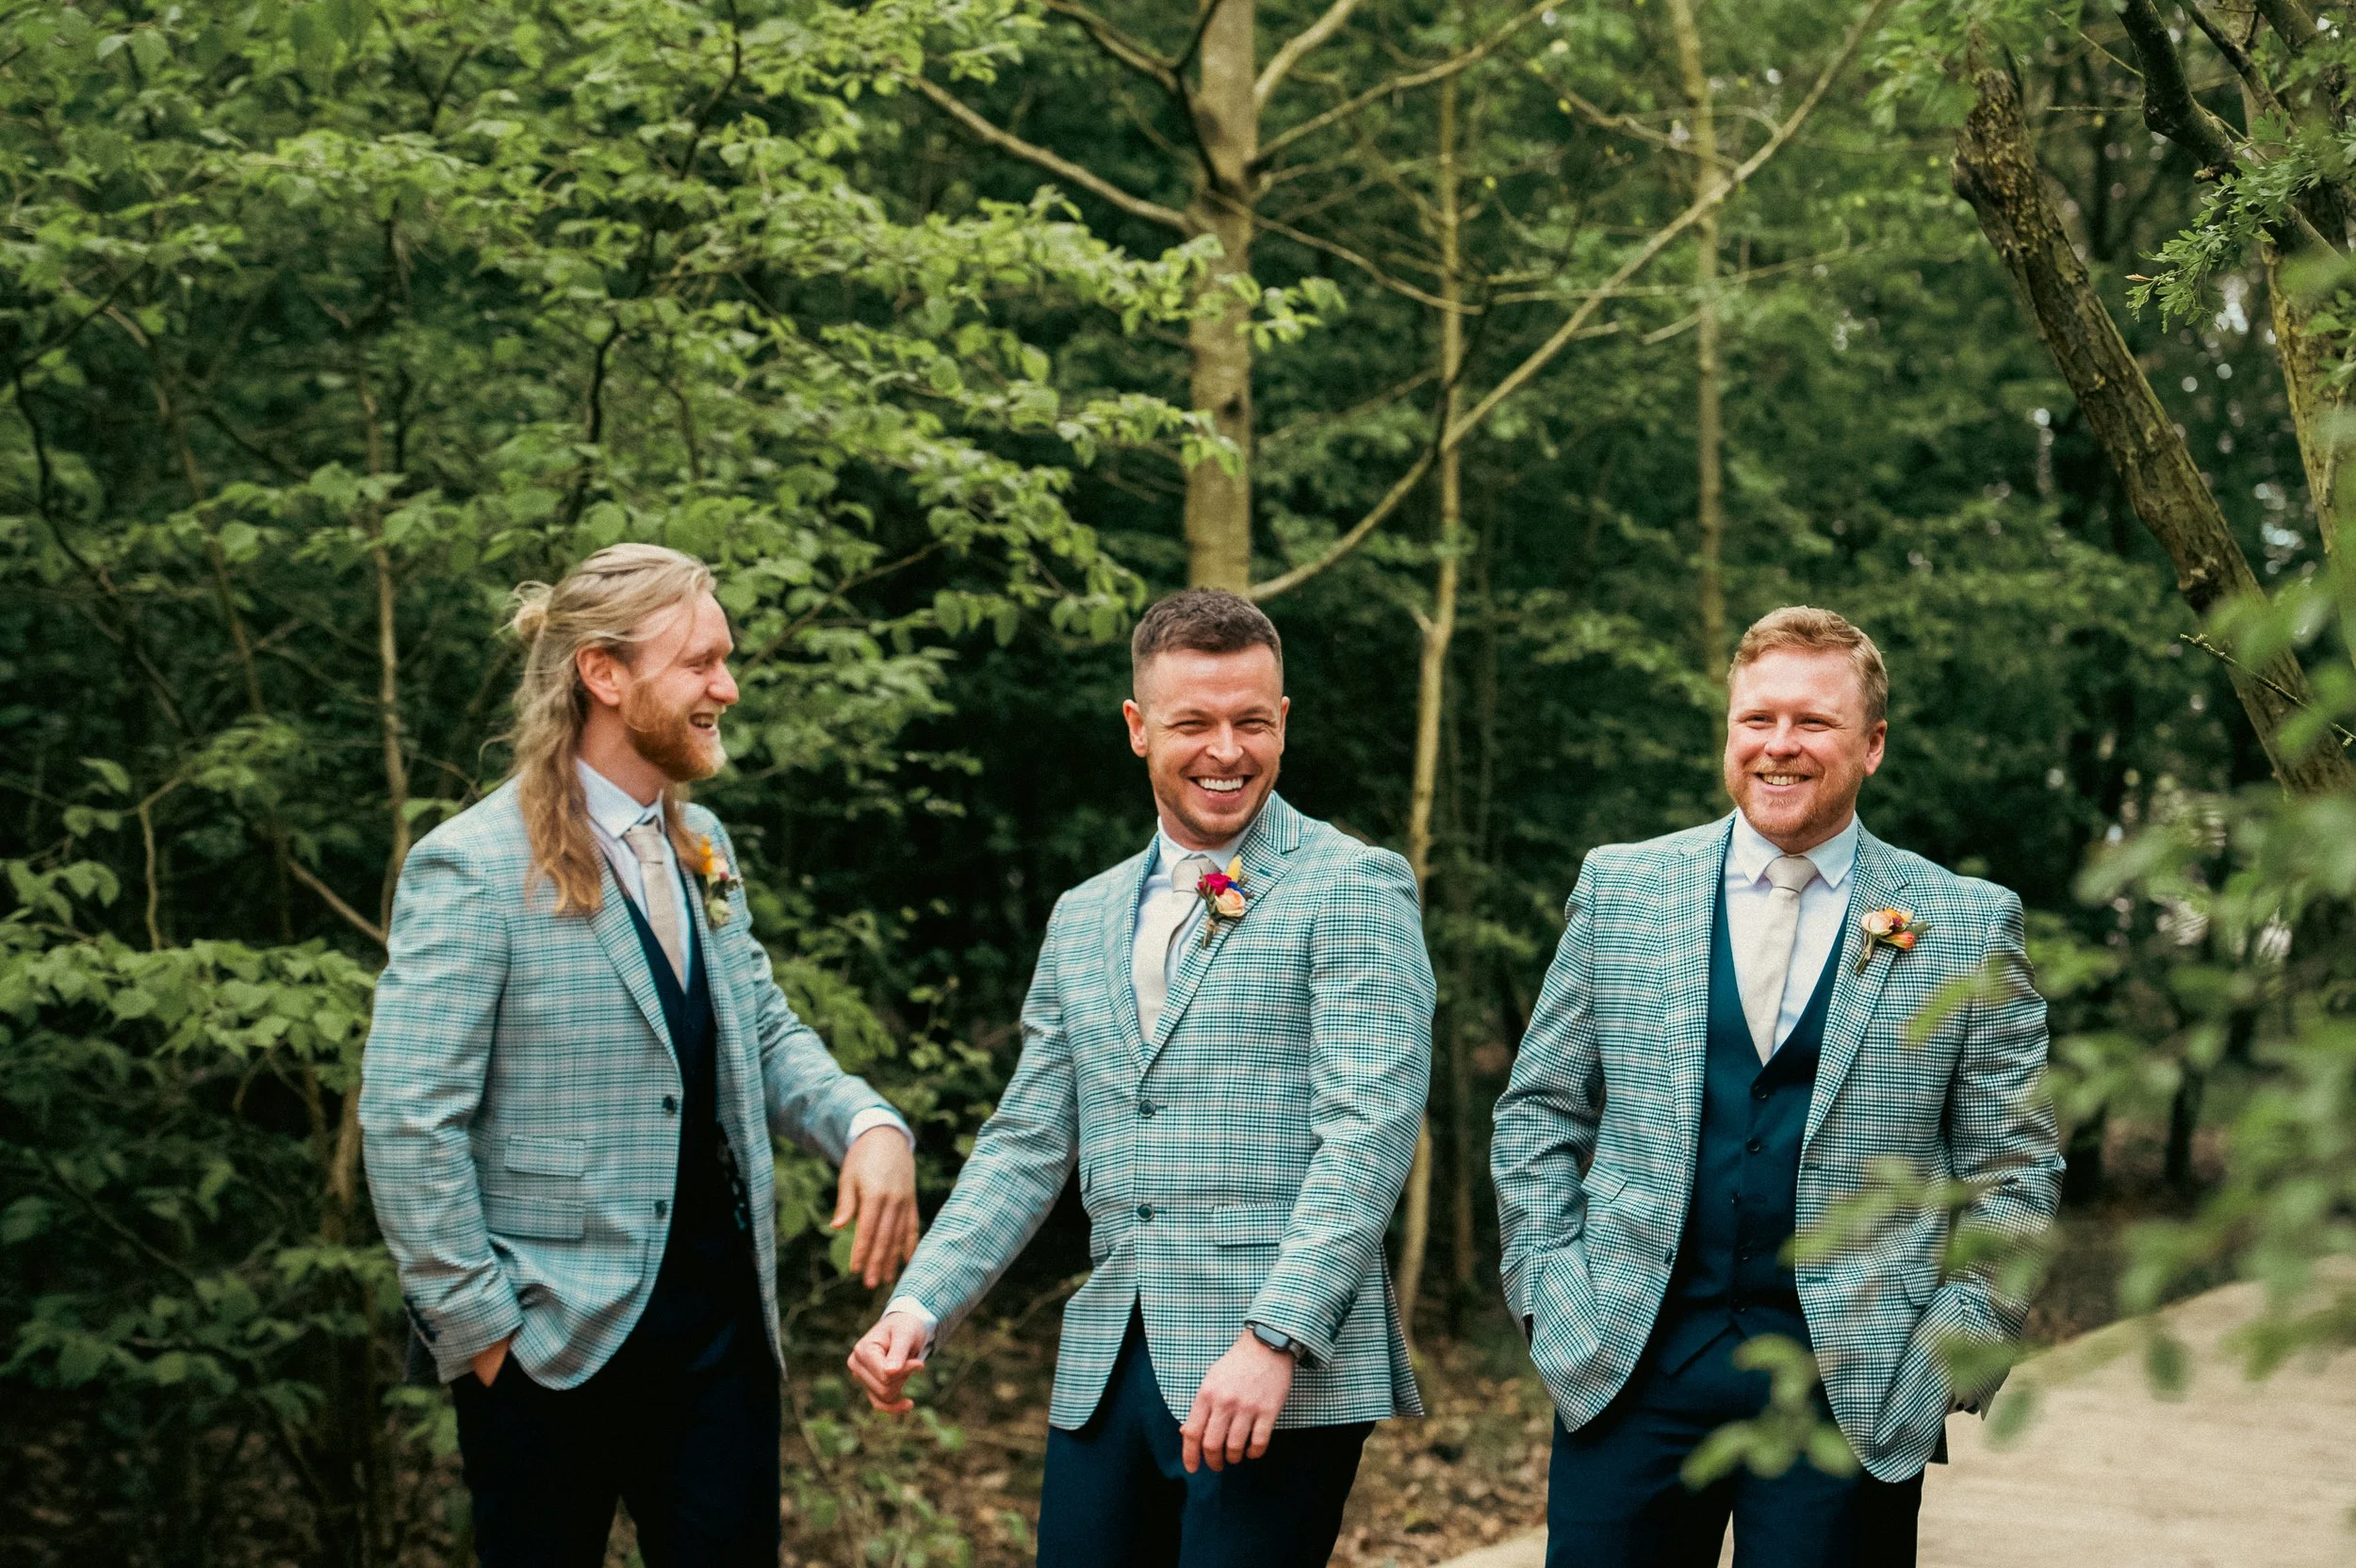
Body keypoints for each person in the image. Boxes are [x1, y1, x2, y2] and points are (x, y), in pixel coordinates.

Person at [846, 588, 1433, 1568]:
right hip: (1109, 1355)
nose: (1225, 749)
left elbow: (1367, 1131)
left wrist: (1275, 1337)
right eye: (1192, 722)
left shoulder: (1353, 884)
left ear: (1282, 720)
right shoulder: (1083, 913)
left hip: (1272, 1371)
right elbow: (1028, 1139)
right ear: (1136, 727)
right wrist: (919, 1304)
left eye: (1251, 720)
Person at [358, 544, 920, 1568]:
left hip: (719, 1344)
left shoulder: (703, 845)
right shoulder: (472, 867)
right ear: (603, 674)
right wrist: (484, 1336)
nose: (727, 686)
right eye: (700, 662)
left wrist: (867, 1122)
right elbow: (406, 1123)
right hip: (545, 1348)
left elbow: (760, 1034)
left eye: (726, 659)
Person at [1492, 606, 2063, 1567]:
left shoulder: (1965, 922)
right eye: (1756, 718)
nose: (1778, 745)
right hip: (1627, 1363)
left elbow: (2016, 1161)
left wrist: (1958, 1339)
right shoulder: (1622, 888)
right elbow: (1539, 1106)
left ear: (1871, 744)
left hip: (1852, 1381)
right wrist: (1549, 1287)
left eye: (1812, 721)